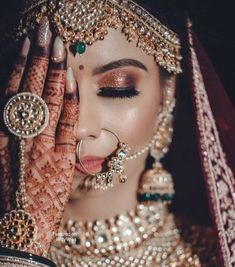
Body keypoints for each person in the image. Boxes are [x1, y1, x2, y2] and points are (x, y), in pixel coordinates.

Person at [0, 0, 234, 266]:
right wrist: (21, 245)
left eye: (116, 89)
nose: (79, 127)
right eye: (47, 89)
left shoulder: (216, 258)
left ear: (166, 95)